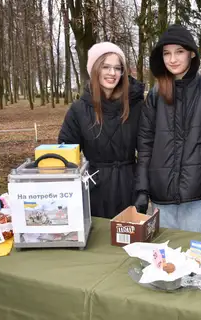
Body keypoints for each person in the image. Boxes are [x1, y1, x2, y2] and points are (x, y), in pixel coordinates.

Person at [134, 24, 201, 233]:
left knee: (194, 261)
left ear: (192, 54)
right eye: (167, 53)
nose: (173, 59)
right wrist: (142, 189)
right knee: (165, 262)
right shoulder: (154, 95)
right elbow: (145, 146)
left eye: (179, 52)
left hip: (198, 198)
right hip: (162, 199)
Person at [58, 42, 145, 219]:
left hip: (129, 187)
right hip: (94, 189)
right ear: (95, 69)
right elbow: (65, 155)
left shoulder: (136, 106)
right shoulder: (79, 110)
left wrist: (143, 189)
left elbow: (146, 151)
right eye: (106, 66)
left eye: (117, 68)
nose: (112, 73)